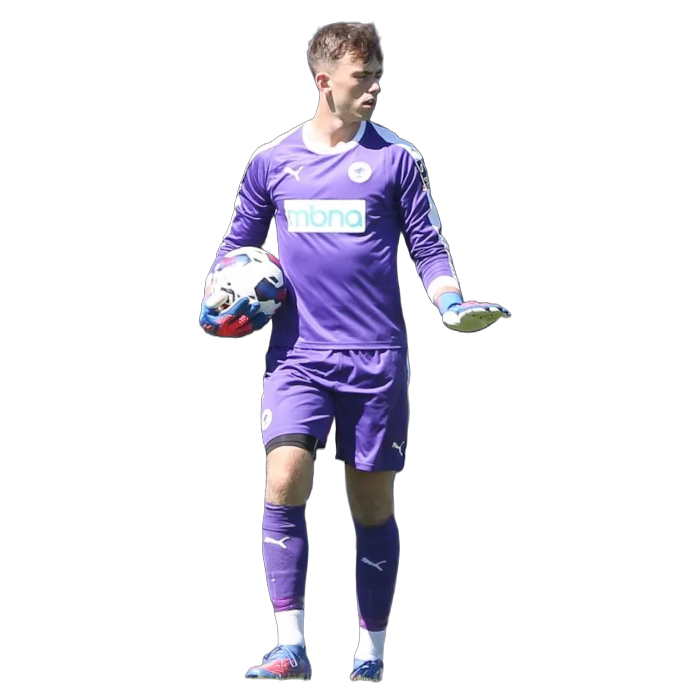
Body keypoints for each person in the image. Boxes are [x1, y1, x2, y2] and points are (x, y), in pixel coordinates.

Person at [199, 22, 511, 682]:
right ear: (324, 81)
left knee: (371, 507)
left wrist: (450, 304)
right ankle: (290, 648)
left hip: (377, 360)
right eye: (360, 77)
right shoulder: (271, 160)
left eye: (377, 77)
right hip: (297, 356)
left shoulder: (398, 159)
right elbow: (234, 247)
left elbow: (427, 244)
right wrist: (221, 296)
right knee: (283, 480)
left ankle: (370, 650)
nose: (373, 88)